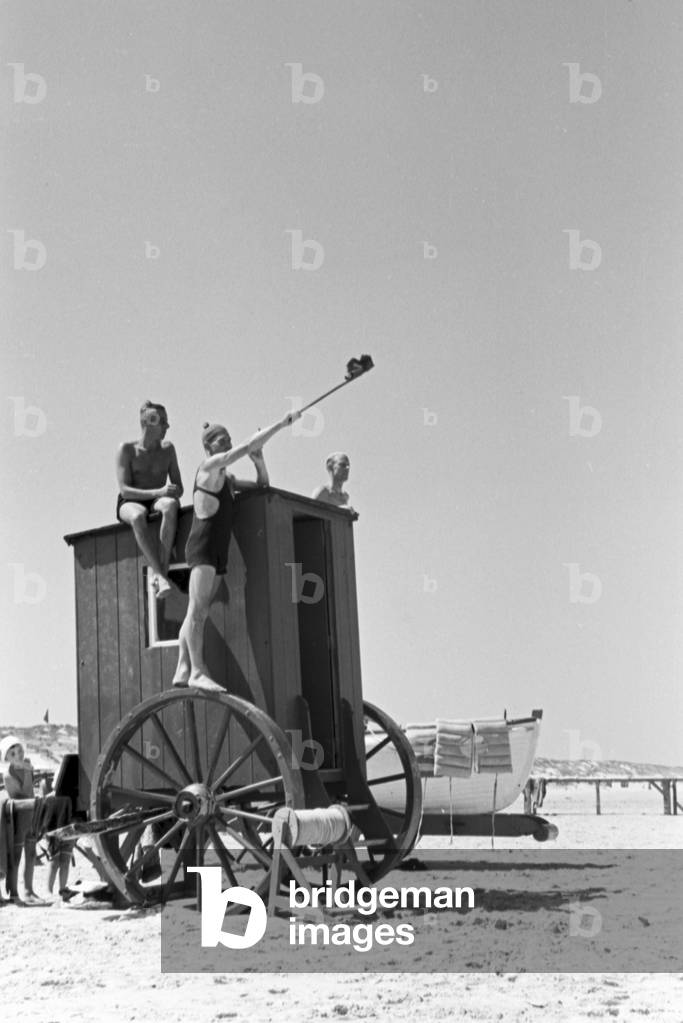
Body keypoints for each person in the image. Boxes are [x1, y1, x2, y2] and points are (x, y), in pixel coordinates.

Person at [171, 421, 271, 691]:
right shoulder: (208, 468)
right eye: (221, 440)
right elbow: (241, 449)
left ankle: (182, 666)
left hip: (218, 551)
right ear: (208, 447)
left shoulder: (227, 480)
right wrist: (277, 427)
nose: (227, 443)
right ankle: (196, 671)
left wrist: (258, 460)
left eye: (229, 438)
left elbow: (263, 485)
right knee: (198, 610)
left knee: (198, 609)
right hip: (202, 548)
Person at [116, 401, 184, 598]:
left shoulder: (168, 449)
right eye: (163, 422)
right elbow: (125, 491)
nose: (167, 426)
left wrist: (172, 492)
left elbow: (179, 486)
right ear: (149, 422)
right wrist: (160, 491)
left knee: (170, 505)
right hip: (130, 501)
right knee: (138, 517)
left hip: (157, 499)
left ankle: (160, 573)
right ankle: (161, 576)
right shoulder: (127, 450)